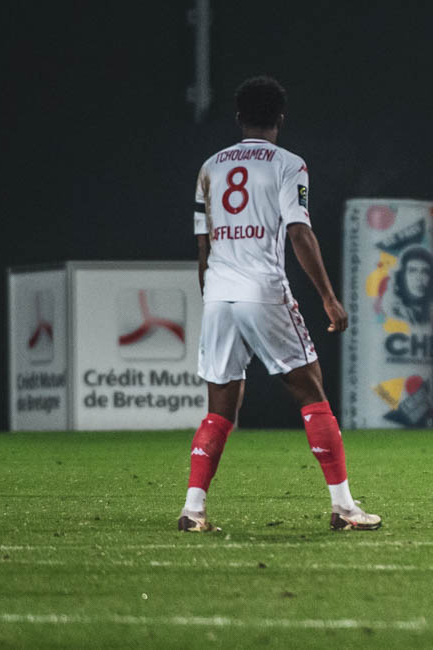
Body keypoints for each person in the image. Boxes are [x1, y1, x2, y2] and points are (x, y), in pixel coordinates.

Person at [179, 76, 381, 533]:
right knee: (311, 392)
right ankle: (344, 507)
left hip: (219, 294)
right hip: (263, 290)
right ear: (280, 119)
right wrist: (329, 298)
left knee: (219, 408)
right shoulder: (288, 164)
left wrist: (212, 296)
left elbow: (203, 245)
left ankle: (193, 509)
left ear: (239, 117)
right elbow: (299, 231)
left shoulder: (210, 167)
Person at [387, 247, 433, 325]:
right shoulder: (393, 311)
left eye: (425, 271)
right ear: (402, 276)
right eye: (412, 271)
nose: (419, 278)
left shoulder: (431, 309)